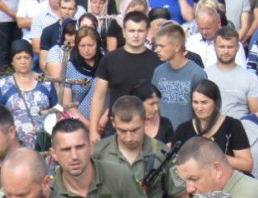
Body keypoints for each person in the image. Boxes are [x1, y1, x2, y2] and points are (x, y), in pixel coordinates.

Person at [95, 97, 189, 198]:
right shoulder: (98, 153)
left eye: (135, 130)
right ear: (113, 123)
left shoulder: (161, 154)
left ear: (145, 121)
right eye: (122, 131)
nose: (129, 138)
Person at [89, 11, 161, 142]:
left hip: (148, 128)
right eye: (131, 30)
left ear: (147, 32)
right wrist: (93, 130)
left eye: (140, 30)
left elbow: (160, 100)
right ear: (124, 32)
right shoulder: (110, 59)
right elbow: (99, 96)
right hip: (116, 127)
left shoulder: (157, 61)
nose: (136, 35)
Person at [171, 79, 253, 174]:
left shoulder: (232, 126)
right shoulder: (183, 129)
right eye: (195, 102)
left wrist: (214, 155)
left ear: (216, 102)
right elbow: (173, 163)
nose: (199, 108)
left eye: (204, 102)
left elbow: (247, 165)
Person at [0, 40, 58, 150]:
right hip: (15, 148)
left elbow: (56, 112)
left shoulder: (46, 83)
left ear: (32, 60)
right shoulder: (3, 86)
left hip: (44, 146)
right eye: (18, 58)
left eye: (26, 57)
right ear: (12, 62)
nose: (23, 61)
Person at [152, 22, 207, 130]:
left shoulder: (197, 73)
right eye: (157, 46)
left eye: (162, 46)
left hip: (189, 135)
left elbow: (204, 109)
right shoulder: (158, 72)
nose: (157, 50)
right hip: (163, 135)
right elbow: (153, 104)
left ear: (177, 47)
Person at [204, 26, 258, 119]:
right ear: (214, 46)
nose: (226, 51)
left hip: (241, 129)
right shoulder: (204, 75)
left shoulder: (250, 78)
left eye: (230, 47)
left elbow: (255, 114)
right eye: (222, 47)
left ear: (238, 47)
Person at [60, 26, 102, 126]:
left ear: (97, 44)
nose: (86, 50)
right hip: (78, 123)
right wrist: (88, 125)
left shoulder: (105, 64)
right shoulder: (69, 67)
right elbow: (67, 104)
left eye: (90, 45)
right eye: (82, 46)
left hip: (103, 122)